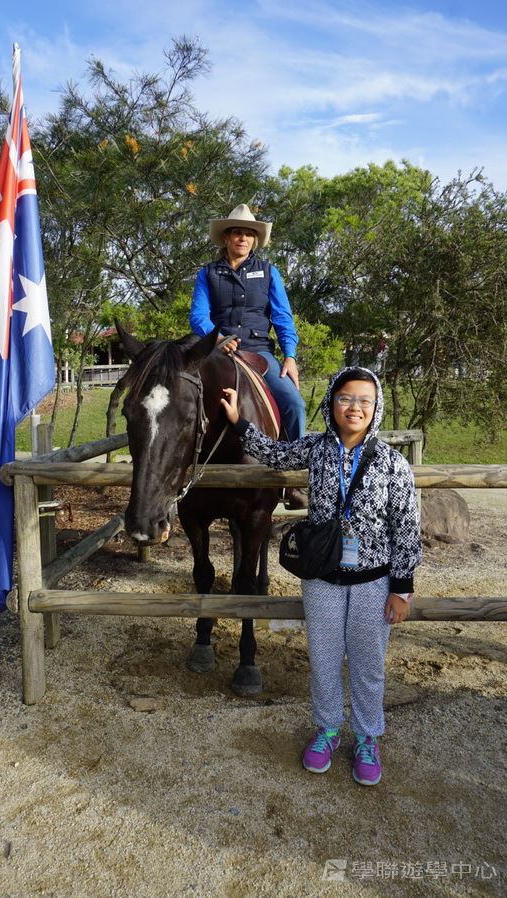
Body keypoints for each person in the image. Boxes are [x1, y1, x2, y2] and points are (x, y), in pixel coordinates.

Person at [220, 366, 422, 786]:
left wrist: (402, 588)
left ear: (376, 407)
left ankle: (368, 737)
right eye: (346, 397)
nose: (355, 407)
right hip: (322, 577)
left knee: (368, 664)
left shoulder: (392, 463)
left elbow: (405, 526)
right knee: (325, 659)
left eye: (365, 400)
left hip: (373, 580)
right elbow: (273, 453)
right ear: (332, 402)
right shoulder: (315, 449)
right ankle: (328, 729)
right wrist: (240, 422)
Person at [190, 203, 308, 509]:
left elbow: (283, 318)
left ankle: (292, 479)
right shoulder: (207, 273)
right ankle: (175, 473)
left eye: (249, 234)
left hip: (257, 352)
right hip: (217, 351)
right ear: (227, 237)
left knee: (294, 404)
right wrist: (216, 338)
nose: (243, 238)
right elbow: (198, 316)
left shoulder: (270, 273)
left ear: (254, 240)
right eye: (237, 233)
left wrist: (290, 357)